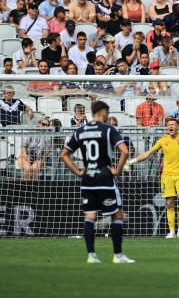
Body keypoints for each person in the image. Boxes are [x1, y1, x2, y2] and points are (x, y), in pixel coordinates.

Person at [60, 100, 135, 264]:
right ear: (103, 112)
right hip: (105, 178)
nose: (108, 116)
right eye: (107, 113)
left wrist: (78, 172)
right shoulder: (108, 130)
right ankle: (118, 255)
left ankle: (91, 256)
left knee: (90, 217)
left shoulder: (80, 131)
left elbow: (64, 154)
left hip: (88, 179)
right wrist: (117, 170)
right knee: (117, 214)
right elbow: (125, 150)